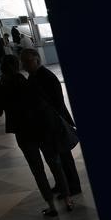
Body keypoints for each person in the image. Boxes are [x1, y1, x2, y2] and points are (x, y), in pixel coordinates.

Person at [0, 54, 74, 216]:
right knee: (55, 164)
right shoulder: (29, 82)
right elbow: (45, 103)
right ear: (18, 66)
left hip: (23, 134)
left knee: (37, 170)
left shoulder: (0, 88)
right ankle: (67, 200)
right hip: (42, 130)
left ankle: (51, 206)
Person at [20, 48, 82, 197]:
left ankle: (73, 186)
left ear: (37, 60)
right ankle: (62, 184)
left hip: (55, 124)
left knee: (64, 157)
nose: (25, 65)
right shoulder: (34, 76)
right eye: (24, 62)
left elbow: (57, 103)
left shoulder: (46, 77)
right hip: (48, 124)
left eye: (28, 61)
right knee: (56, 157)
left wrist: (57, 123)